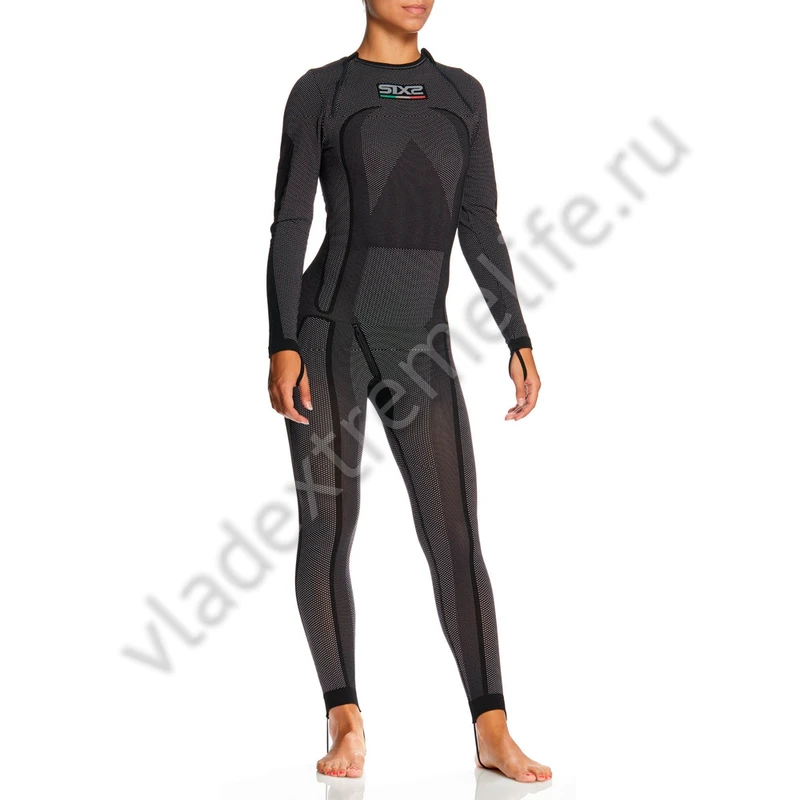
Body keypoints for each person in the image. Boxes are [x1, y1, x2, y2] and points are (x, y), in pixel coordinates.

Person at [266, 0, 551, 783]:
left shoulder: (461, 93)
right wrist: (282, 341)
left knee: (455, 533)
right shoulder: (322, 92)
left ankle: (493, 729)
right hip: (328, 334)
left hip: (421, 342)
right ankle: (344, 716)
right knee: (330, 526)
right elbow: (290, 224)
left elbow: (480, 223)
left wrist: (517, 336)